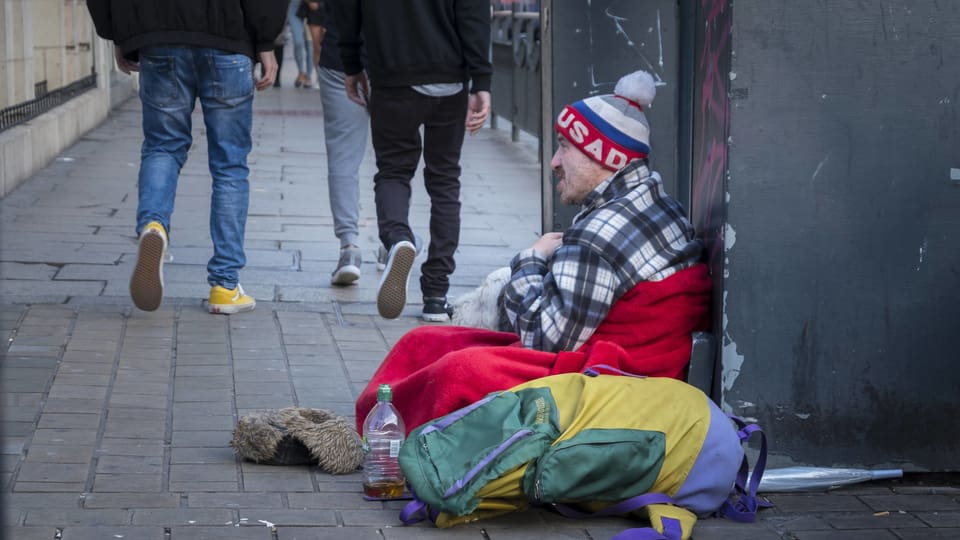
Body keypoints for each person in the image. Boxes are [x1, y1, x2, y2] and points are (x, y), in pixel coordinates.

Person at [354, 70, 712, 434]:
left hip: (607, 382)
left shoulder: (599, 237)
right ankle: (382, 420)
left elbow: (542, 341)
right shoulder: (656, 200)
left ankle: (381, 434)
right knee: (428, 341)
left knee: (456, 371)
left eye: (565, 146)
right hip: (628, 362)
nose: (555, 161)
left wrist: (531, 260)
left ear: (603, 155)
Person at [87, 0, 287, 314]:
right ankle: (225, 285)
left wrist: (121, 33)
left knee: (162, 146)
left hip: (158, 38)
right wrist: (265, 39)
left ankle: (154, 225)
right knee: (230, 165)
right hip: (228, 38)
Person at [338, 0, 493, 322]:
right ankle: (436, 295)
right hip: (449, 79)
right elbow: (473, 15)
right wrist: (481, 81)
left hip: (392, 78)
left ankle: (399, 239)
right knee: (445, 180)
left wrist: (352, 66)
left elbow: (346, 10)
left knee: (393, 171)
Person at [319, 0, 369, 286]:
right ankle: (396, 239)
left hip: (338, 56)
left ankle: (349, 247)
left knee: (343, 157)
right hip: (393, 57)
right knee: (397, 156)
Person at [287, 0, 313, 88]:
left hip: (311, 9)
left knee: (310, 44)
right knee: (298, 42)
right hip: (295, 8)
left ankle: (308, 75)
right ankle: (301, 71)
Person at [300, 0, 326, 79]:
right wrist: (310, 2)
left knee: (328, 46)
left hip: (330, 10)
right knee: (317, 47)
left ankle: (329, 75)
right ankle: (319, 77)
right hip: (314, 12)